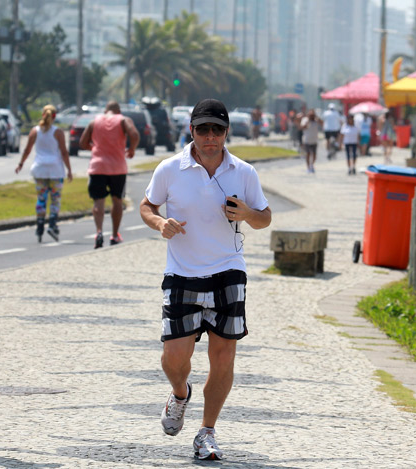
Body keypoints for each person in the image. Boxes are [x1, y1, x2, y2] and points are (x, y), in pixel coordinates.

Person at [139, 98, 271, 461]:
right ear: (192, 131)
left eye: (217, 129)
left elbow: (264, 217)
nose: (210, 137)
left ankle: (206, 433)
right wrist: (160, 223)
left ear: (227, 132)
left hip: (229, 269)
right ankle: (180, 393)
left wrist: (247, 213)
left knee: (223, 354)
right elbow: (147, 206)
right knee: (174, 357)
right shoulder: (170, 169)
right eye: (203, 129)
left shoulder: (243, 172)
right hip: (182, 271)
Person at [79, 101, 140, 248]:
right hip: (117, 167)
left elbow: (82, 142)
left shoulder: (94, 121)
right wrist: (131, 149)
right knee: (117, 200)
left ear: (106, 111)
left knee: (98, 201)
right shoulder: (123, 120)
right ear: (118, 111)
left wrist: (94, 148)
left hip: (97, 166)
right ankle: (114, 235)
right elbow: (135, 134)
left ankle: (99, 232)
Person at [15, 104, 73, 242]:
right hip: (55, 170)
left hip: (40, 169)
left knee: (41, 198)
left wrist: (21, 163)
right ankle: (52, 224)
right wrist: (69, 169)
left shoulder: (35, 131)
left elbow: (27, 149)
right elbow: (64, 152)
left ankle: (40, 225)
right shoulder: (57, 132)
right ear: (54, 116)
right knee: (55, 198)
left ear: (43, 115)